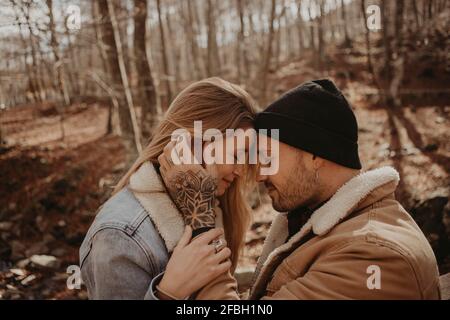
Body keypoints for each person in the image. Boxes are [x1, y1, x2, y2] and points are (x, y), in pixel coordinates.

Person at [155, 79, 441, 300]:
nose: (259, 174)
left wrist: (199, 212)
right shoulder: (322, 223)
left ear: (315, 154)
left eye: (269, 156)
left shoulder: (374, 254)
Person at [79, 77, 258, 299]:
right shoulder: (120, 234)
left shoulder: (215, 205)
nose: (241, 170)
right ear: (190, 144)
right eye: (235, 155)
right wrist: (166, 294)